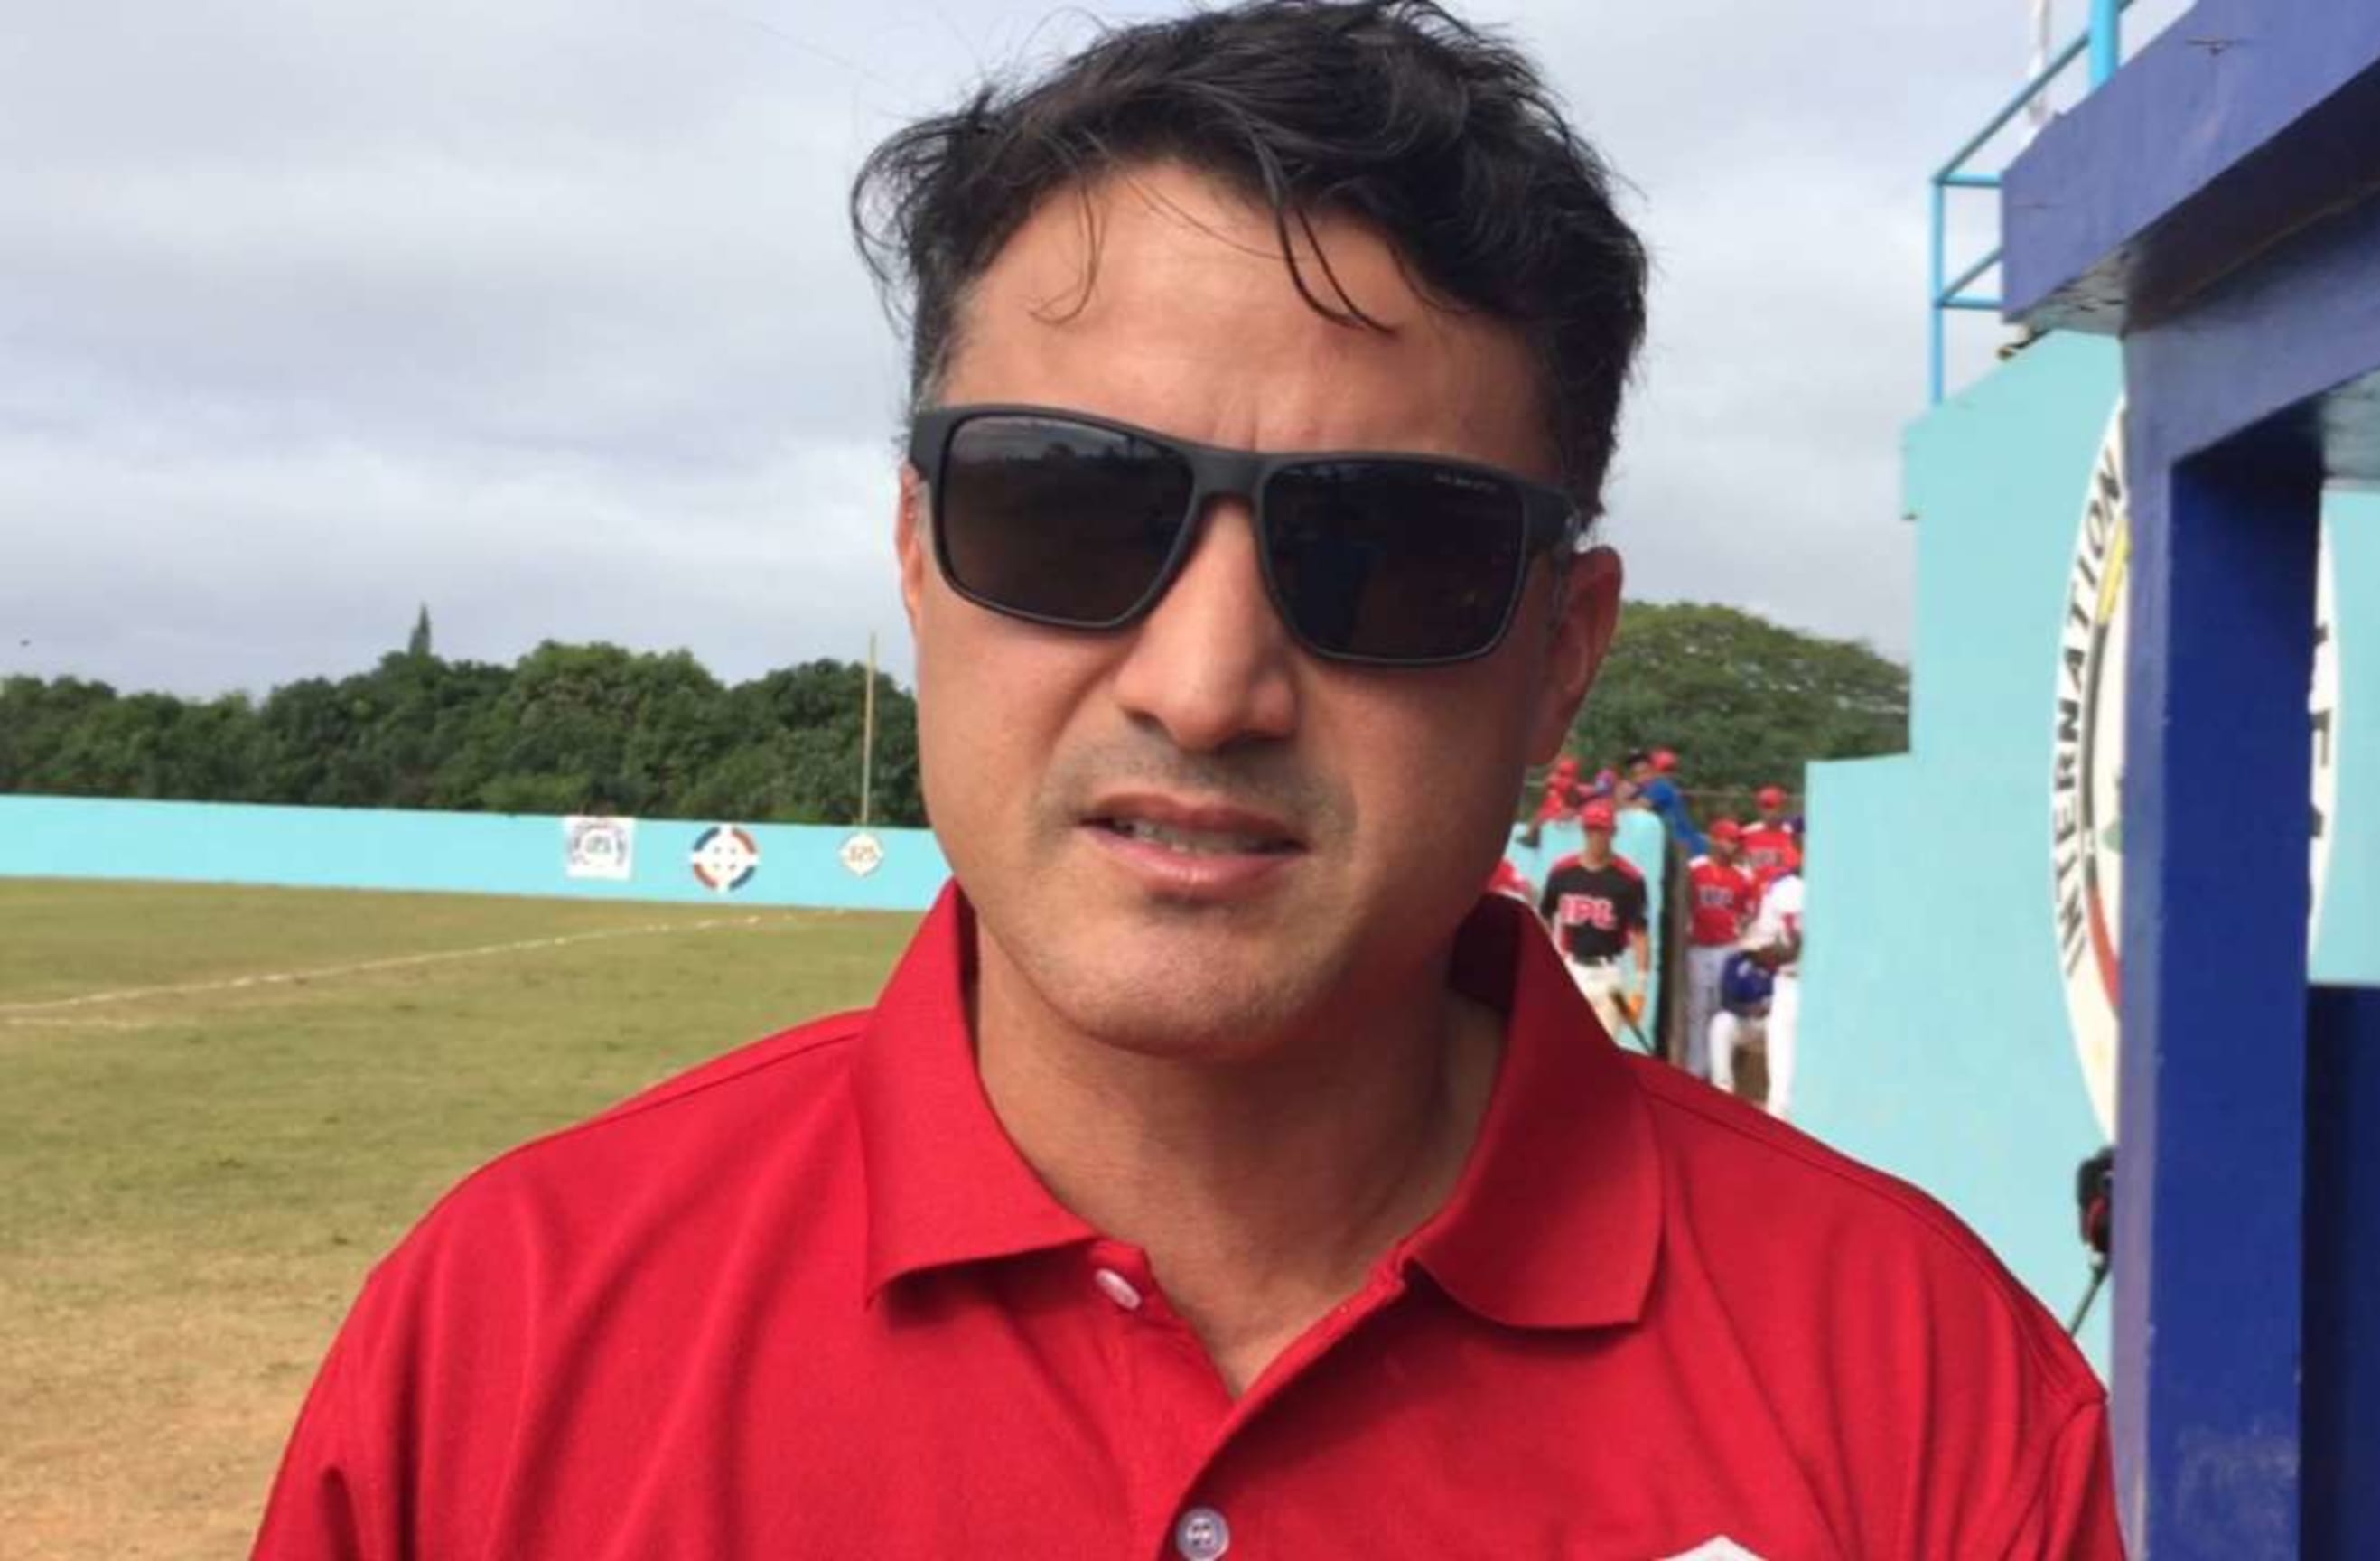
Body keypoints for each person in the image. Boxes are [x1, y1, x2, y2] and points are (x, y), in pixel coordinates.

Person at [254, 5, 2120, 1556]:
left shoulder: (1928, 1401)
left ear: (1561, 651)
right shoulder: (510, 1342)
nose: (1207, 683)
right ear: (917, 552)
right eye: (1065, 508)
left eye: (1390, 552)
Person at [1535, 799, 1652, 1043]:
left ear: (1614, 832)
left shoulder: (1630, 879)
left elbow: (1640, 933)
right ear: (1583, 830)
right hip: (1571, 968)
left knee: (1604, 1051)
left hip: (1609, 974)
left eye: (1602, 829)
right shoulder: (1562, 872)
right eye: (1591, 829)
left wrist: (1640, 988)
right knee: (1560, 1045)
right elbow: (1545, 919)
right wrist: (1545, 966)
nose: (1596, 836)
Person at [1680, 817, 1760, 1075]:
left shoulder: (1744, 876)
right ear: (1714, 840)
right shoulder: (1694, 868)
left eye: (1737, 841)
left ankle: (1717, 1072)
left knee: (1719, 1011)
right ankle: (1695, 1069)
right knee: (1697, 1010)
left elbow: (1750, 914)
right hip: (1698, 947)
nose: (1734, 845)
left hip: (1727, 948)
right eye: (1730, 839)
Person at [1746, 845, 1807, 1122]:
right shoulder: (1783, 889)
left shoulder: (1840, 884)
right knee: (1781, 1078)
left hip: (1826, 990)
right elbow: (1760, 943)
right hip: (1789, 982)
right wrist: (1775, 952)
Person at [1707, 946, 1779, 1097]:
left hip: (1773, 1028)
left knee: (1777, 1024)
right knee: (1721, 1022)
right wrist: (1747, 1009)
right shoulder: (1737, 962)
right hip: (1747, 1024)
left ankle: (1778, 1098)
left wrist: (1770, 1009)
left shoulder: (1780, 967)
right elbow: (1726, 1001)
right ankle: (1722, 1089)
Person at [1627, 745, 1707, 853]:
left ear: (1654, 771)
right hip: (1679, 849)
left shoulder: (1661, 786)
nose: (1641, 779)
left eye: (1645, 772)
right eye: (1636, 775)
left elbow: (1633, 811)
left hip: (1686, 851)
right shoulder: (1657, 789)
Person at [1741, 782, 1802, 877]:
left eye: (1772, 807)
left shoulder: (1791, 834)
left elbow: (1798, 866)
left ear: (1783, 808)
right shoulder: (1746, 833)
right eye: (1764, 807)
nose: (1768, 812)